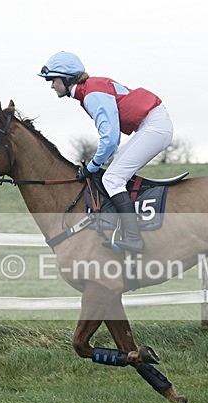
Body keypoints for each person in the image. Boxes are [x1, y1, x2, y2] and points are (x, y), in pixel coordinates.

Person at [38, 51, 174, 253]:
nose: (51, 85)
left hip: (154, 126)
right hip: (152, 124)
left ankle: (134, 238)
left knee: (111, 179)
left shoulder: (92, 94)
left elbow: (110, 140)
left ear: (66, 79)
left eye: (53, 80)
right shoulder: (89, 89)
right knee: (115, 174)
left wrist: (92, 167)